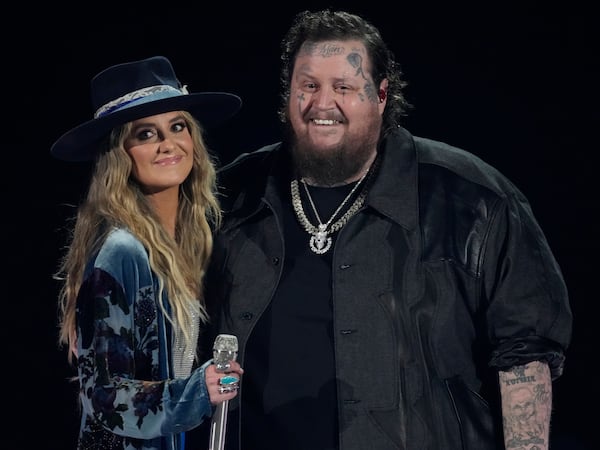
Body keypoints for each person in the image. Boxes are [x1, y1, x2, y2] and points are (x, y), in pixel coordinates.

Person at [201, 9, 573, 450]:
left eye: (343, 87)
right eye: (308, 86)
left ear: (381, 95)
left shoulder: (474, 199)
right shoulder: (235, 194)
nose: (322, 104)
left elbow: (524, 354)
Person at [51, 55, 244, 450]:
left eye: (177, 127)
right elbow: (103, 394)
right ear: (120, 153)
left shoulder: (191, 242)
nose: (168, 143)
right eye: (145, 134)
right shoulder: (122, 251)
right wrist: (196, 391)